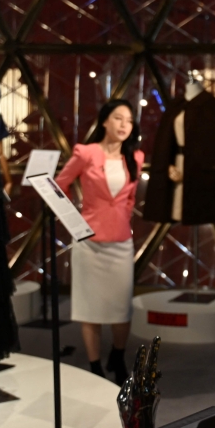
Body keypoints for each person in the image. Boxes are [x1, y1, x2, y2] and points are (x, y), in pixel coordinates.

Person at [56, 99, 145, 384]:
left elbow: (130, 197)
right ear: (105, 121)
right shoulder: (87, 152)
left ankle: (117, 356)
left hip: (120, 241)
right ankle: (94, 366)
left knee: (121, 308)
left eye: (129, 121)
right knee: (90, 308)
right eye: (118, 118)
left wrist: (122, 215)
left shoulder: (136, 157)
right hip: (89, 243)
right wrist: (74, 219)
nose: (123, 125)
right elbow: (61, 184)